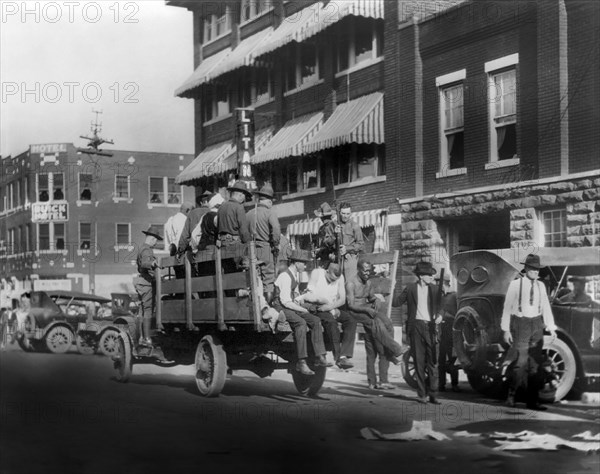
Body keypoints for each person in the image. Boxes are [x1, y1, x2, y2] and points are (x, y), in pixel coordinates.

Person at [501, 254, 557, 411]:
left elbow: (546, 306)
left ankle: (532, 401)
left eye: (537, 269)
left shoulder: (541, 286)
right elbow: (506, 308)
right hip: (521, 324)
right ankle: (511, 393)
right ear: (525, 269)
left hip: (537, 325)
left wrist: (551, 327)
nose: (535, 272)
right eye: (532, 269)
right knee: (520, 363)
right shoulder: (515, 285)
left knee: (535, 366)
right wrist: (506, 329)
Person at [345, 260, 407, 389]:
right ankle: (396, 349)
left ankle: (391, 351)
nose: (367, 273)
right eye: (365, 271)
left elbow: (371, 297)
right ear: (358, 269)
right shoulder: (351, 283)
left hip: (366, 308)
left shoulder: (368, 282)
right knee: (375, 322)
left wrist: (376, 300)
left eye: (369, 271)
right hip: (355, 312)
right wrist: (367, 309)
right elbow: (351, 305)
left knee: (388, 321)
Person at [273, 249, 332, 375]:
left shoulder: (295, 275)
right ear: (295, 263)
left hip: (291, 305)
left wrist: (304, 301)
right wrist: (303, 309)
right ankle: (301, 362)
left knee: (315, 320)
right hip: (281, 307)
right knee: (300, 323)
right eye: (303, 263)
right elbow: (285, 301)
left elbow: (295, 297)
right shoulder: (285, 276)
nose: (305, 266)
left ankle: (319, 356)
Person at [393, 261, 442, 404]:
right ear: (421, 276)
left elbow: (442, 306)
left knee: (433, 362)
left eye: (432, 275)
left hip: (431, 328)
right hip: (416, 328)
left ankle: (433, 394)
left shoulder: (434, 289)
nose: (432, 277)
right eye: (429, 275)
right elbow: (396, 302)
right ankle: (422, 394)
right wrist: (391, 287)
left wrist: (440, 315)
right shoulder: (410, 289)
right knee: (419, 362)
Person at [296, 263, 357, 369]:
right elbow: (310, 296)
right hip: (318, 307)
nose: (332, 281)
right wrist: (327, 307)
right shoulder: (317, 273)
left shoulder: (340, 277)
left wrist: (331, 308)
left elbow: (342, 300)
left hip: (331, 308)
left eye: (334, 280)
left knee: (351, 321)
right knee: (331, 323)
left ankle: (344, 355)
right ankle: (338, 358)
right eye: (330, 279)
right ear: (327, 271)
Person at [247, 184, 280, 301]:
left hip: (251, 249)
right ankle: (268, 310)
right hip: (266, 248)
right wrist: (275, 245)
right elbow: (276, 230)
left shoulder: (249, 214)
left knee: (254, 280)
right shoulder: (270, 213)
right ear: (270, 201)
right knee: (268, 281)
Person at [133, 225, 163, 347]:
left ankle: (140, 337)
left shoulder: (142, 248)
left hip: (141, 282)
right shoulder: (147, 249)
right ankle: (146, 338)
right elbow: (145, 263)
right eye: (156, 239)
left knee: (142, 310)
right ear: (152, 238)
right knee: (148, 310)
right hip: (146, 282)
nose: (156, 242)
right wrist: (153, 263)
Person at [436, 273, 460, 393]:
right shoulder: (438, 297)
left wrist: (444, 315)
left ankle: (455, 384)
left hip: (452, 332)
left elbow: (459, 314)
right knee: (441, 360)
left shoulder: (454, 296)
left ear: (445, 284)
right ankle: (441, 384)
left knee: (453, 359)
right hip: (441, 333)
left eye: (439, 283)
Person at [218, 181, 252, 246]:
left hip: (222, 243)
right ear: (241, 194)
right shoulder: (239, 207)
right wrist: (248, 242)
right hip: (234, 244)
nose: (244, 199)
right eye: (245, 196)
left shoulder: (221, 207)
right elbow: (243, 230)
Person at [336, 202, 364, 281]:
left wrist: (347, 248)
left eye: (348, 214)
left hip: (350, 259)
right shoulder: (336, 225)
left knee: (349, 284)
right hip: (337, 260)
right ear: (339, 213)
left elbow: (361, 245)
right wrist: (335, 233)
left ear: (351, 213)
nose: (345, 216)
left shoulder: (355, 226)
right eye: (343, 213)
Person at [314, 202, 337, 268]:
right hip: (323, 260)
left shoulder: (334, 226)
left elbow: (332, 244)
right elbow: (319, 245)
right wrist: (316, 251)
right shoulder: (321, 228)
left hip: (332, 260)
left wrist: (320, 249)